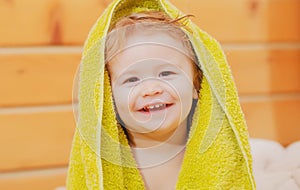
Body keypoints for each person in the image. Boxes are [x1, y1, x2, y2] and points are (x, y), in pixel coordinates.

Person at [67, 0, 256, 189]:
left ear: (195, 85)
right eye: (131, 80)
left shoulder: (217, 154)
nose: (151, 89)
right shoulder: (107, 167)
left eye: (166, 74)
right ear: (108, 98)